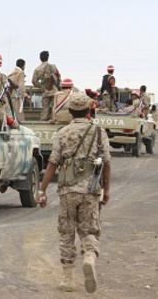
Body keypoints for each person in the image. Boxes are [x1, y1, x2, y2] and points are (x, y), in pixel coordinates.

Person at [37, 94, 112, 293]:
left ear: (70, 112)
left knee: (66, 232)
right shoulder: (98, 132)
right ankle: (88, 257)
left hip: (67, 189)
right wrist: (107, 190)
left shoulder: (63, 132)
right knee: (90, 229)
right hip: (91, 189)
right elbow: (105, 163)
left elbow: (53, 163)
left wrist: (41, 190)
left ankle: (68, 278)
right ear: (89, 111)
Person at [32, 50, 60, 121]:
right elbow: (58, 77)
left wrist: (41, 87)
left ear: (40, 58)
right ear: (48, 57)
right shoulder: (53, 66)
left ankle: (43, 121)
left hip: (45, 91)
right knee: (54, 107)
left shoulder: (37, 69)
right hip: (54, 90)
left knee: (45, 108)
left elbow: (34, 81)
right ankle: (54, 120)